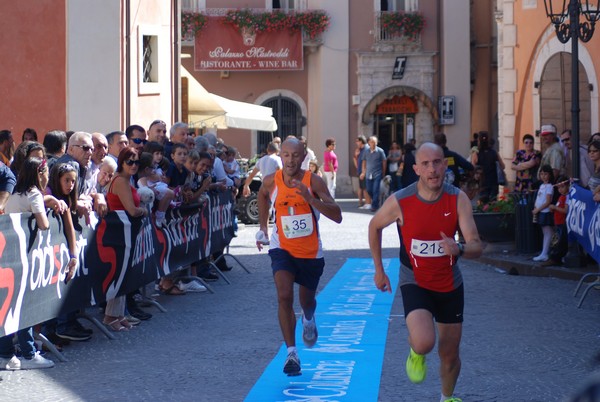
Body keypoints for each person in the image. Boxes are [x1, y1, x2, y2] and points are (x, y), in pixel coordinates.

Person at [368, 142, 482, 402]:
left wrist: (460, 248)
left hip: (449, 283)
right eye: (426, 164)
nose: (433, 169)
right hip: (415, 280)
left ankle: (447, 398)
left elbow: (477, 244)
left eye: (438, 162)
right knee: (424, 342)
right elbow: (374, 226)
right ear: (416, 169)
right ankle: (415, 351)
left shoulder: (457, 198)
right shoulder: (401, 200)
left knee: (450, 353)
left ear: (445, 165)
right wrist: (378, 270)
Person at [255, 137, 342, 376]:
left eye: (295, 155)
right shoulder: (271, 181)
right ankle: (291, 352)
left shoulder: (313, 180)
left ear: (303, 157)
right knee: (284, 295)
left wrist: (310, 199)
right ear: (280, 156)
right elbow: (262, 195)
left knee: (306, 302)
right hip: (281, 247)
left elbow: (337, 215)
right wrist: (263, 228)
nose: (290, 160)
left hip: (310, 253)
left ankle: (309, 317)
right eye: (286, 155)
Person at [0, 157, 64, 370]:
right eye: (46, 173)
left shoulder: (15, 194)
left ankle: (6, 353)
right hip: (25, 255)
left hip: (10, 256)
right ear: (40, 173)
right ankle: (28, 353)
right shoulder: (34, 193)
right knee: (24, 306)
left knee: (8, 305)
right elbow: (44, 224)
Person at [105, 147, 150, 330]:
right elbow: (131, 210)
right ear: (122, 162)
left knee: (124, 273)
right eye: (129, 161)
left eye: (136, 162)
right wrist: (144, 210)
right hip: (121, 232)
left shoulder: (125, 180)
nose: (133, 165)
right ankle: (110, 316)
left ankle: (119, 313)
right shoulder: (121, 181)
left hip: (126, 231)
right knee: (120, 273)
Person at [542, 176, 570, 266]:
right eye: (558, 187)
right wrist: (553, 209)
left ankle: (554, 259)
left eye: (562, 187)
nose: (560, 189)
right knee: (555, 242)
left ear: (568, 186)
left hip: (562, 224)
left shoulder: (567, 197)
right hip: (557, 223)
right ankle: (553, 258)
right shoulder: (561, 196)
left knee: (558, 243)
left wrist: (554, 207)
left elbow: (566, 210)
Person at [471, 131, 505, 202]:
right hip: (494, 182)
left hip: (482, 183)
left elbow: (472, 167)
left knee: (483, 204)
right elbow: (503, 166)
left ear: (479, 141)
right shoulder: (494, 152)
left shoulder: (476, 154)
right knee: (493, 203)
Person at [532, 164, 555, 262]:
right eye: (541, 174)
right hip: (540, 211)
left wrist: (538, 209)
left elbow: (548, 201)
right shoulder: (542, 185)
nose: (543, 176)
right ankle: (545, 252)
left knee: (548, 233)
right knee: (545, 233)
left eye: (545, 174)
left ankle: (545, 253)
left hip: (545, 212)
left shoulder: (550, 186)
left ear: (550, 175)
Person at [361, 136, 386, 212]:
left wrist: (383, 172)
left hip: (377, 173)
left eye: (374, 142)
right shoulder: (366, 151)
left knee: (375, 190)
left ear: (376, 143)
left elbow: (384, 161)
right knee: (369, 190)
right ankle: (376, 200)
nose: (373, 143)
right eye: (371, 142)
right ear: (369, 143)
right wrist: (363, 172)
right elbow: (364, 162)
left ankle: (374, 206)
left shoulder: (380, 151)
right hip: (369, 174)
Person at [353, 135, 370, 208]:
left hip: (365, 171)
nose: (356, 143)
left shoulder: (366, 149)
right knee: (362, 187)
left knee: (364, 188)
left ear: (361, 141)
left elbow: (366, 161)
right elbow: (355, 159)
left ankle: (367, 202)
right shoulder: (360, 149)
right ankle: (362, 202)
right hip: (361, 171)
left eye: (357, 141)